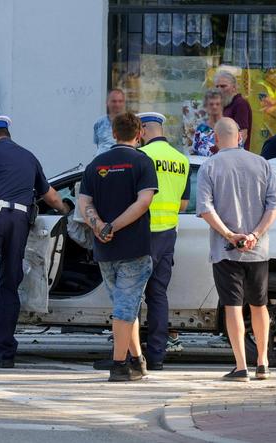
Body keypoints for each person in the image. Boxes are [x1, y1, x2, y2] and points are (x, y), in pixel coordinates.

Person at [0, 116, 70, 370]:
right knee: (9, 285)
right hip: (20, 222)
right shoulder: (29, 156)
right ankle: (5, 353)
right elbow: (51, 196)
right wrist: (67, 211)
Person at [196, 117, 276, 382]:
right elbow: (275, 206)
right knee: (259, 304)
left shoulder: (209, 166)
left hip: (226, 249)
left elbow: (205, 209)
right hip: (258, 250)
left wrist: (230, 235)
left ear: (215, 136)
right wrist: (255, 234)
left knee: (233, 305)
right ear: (240, 136)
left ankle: (241, 365)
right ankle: (263, 362)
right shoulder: (262, 164)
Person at [79, 112, 157, 382]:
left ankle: (137, 360)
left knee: (126, 306)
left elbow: (84, 203)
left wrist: (99, 226)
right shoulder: (142, 162)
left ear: (114, 134)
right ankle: (119, 365)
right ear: (139, 135)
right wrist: (114, 226)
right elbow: (143, 202)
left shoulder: (96, 164)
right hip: (133, 246)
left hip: (105, 249)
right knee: (125, 308)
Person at [137, 112, 190, 371]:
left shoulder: (142, 156)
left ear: (145, 129)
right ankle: (157, 356)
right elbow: (183, 203)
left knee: (133, 293)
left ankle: (131, 353)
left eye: (139, 130)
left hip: (143, 232)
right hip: (168, 233)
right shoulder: (181, 160)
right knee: (158, 295)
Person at [213, 71, 253, 151]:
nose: (219, 90)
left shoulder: (240, 104)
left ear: (234, 88)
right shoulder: (224, 104)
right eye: (217, 87)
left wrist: (229, 153)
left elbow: (243, 135)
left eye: (223, 86)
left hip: (233, 156)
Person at [93, 89, 126, 156]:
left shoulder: (130, 123)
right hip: (101, 163)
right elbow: (98, 145)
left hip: (123, 163)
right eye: (114, 101)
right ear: (107, 102)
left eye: (120, 101)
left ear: (124, 103)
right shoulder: (99, 123)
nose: (117, 104)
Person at [191, 90, 223, 156]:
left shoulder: (231, 127)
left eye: (217, 104)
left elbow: (238, 152)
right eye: (211, 104)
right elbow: (194, 151)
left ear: (222, 106)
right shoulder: (201, 129)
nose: (214, 107)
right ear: (206, 107)